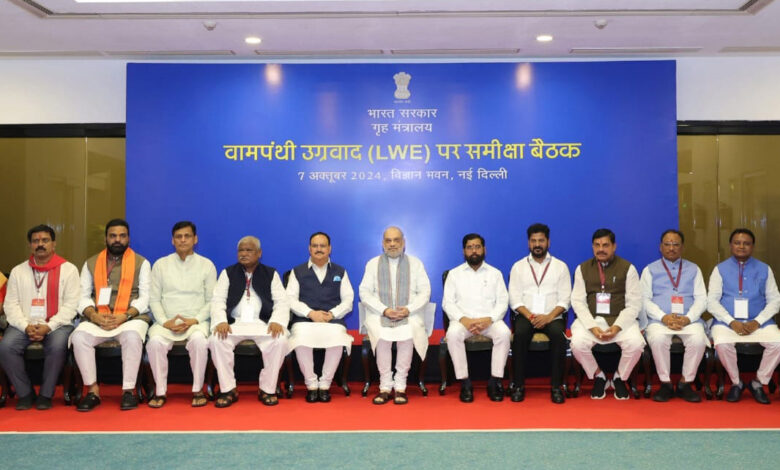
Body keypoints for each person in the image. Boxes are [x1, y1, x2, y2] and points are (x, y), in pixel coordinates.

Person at [72, 218, 151, 411]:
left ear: (128, 238)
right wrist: (94, 316)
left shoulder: (142, 263)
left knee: (132, 337)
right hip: (99, 317)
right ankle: (92, 390)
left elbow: (145, 298)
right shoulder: (91, 263)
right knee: (79, 337)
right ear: (106, 238)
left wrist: (126, 316)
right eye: (113, 236)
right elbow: (82, 297)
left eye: (122, 236)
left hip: (129, 318)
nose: (117, 240)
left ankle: (128, 391)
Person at [0, 225, 79, 410]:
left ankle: (45, 394)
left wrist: (49, 326)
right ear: (30, 245)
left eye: (45, 240)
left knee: (58, 346)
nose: (40, 244)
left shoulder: (69, 270)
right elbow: (10, 305)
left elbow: (71, 305)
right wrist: (25, 326)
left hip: (58, 325)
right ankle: (25, 393)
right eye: (36, 241)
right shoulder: (18, 271)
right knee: (6, 347)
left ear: (54, 244)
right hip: (24, 324)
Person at [209, 236, 289, 407]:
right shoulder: (227, 273)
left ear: (259, 253)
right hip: (234, 323)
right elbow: (217, 300)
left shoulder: (271, 273)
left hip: (263, 323)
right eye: (241, 250)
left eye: (248, 250)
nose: (244, 254)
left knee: (280, 340)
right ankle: (228, 389)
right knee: (216, 339)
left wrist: (276, 321)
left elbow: (282, 302)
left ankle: (267, 389)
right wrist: (221, 321)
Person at [146, 221, 217, 408]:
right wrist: (165, 322)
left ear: (195, 239)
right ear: (173, 240)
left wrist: (195, 320)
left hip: (196, 321)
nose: (183, 240)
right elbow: (154, 299)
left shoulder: (207, 265)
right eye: (179, 237)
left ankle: (198, 390)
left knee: (199, 342)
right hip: (166, 322)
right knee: (154, 343)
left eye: (187, 236)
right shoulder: (161, 265)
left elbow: (212, 300)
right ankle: (160, 391)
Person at [359, 226, 431, 405]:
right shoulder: (372, 264)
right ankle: (385, 386)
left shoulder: (415, 264)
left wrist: (408, 309)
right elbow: (364, 292)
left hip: (408, 313)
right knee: (381, 336)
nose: (392, 244)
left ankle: (400, 386)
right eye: (388, 240)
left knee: (407, 334)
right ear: (383, 243)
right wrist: (384, 310)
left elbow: (425, 292)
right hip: (380, 313)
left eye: (396, 240)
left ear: (403, 242)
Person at [570, 228, 645, 400]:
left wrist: (617, 326)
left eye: (605, 245)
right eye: (597, 245)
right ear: (592, 247)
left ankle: (620, 377)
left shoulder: (628, 268)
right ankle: (599, 376)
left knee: (636, 344)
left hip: (621, 321)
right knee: (577, 343)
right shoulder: (582, 269)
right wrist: (592, 327)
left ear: (614, 246)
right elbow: (578, 302)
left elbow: (634, 303)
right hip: (592, 320)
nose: (601, 249)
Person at [707, 228, 780, 404]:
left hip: (759, 323)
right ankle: (736, 382)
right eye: (737, 243)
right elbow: (712, 302)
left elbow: (775, 300)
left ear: (753, 246)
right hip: (727, 323)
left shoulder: (764, 269)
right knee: (722, 343)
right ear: (730, 245)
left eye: (746, 243)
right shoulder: (720, 269)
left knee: (778, 343)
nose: (741, 246)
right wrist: (731, 322)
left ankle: (758, 382)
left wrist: (757, 321)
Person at [640, 229, 708, 403]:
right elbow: (644, 300)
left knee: (698, 339)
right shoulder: (649, 270)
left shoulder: (694, 269)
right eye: (667, 244)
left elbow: (702, 299)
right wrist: (664, 317)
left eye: (676, 244)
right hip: (659, 320)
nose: (671, 248)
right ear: (660, 247)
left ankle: (685, 383)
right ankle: (666, 384)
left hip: (688, 319)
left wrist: (688, 318)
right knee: (658, 339)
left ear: (682, 247)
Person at [286, 232, 354, 403]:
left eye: (322, 246)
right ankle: (311, 385)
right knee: (300, 339)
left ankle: (324, 384)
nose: (318, 249)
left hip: (332, 320)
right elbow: (290, 299)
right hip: (305, 320)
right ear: (309, 249)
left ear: (329, 249)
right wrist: (311, 313)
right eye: (315, 246)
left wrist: (333, 314)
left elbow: (348, 300)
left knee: (338, 338)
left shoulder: (340, 271)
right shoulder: (297, 271)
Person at [508, 223, 571, 404]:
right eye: (533, 241)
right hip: (526, 315)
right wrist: (531, 316)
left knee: (558, 336)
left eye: (541, 241)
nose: (537, 244)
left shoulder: (560, 267)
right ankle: (519, 386)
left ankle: (556, 387)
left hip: (552, 316)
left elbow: (565, 299)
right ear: (528, 243)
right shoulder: (518, 267)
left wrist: (548, 317)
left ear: (548, 242)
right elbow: (514, 299)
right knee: (520, 334)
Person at [442, 233, 510, 403]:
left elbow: (503, 302)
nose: (474, 251)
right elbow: (447, 303)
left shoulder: (495, 273)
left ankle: (494, 381)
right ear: (464, 251)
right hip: (463, 322)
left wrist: (490, 319)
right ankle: (465, 382)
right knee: (453, 335)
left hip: (489, 321)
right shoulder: (454, 274)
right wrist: (463, 319)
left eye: (477, 247)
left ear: (484, 249)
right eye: (470, 247)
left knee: (504, 333)